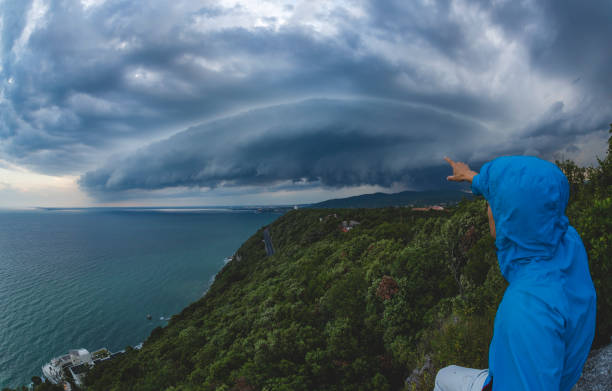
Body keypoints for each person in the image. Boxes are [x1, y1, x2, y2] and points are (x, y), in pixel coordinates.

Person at [435, 156, 597, 391]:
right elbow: (530, 197)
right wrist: (471, 176)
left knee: (443, 377)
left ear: (507, 217)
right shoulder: (567, 239)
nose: (487, 208)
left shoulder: (526, 311)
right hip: (560, 369)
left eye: (492, 202)